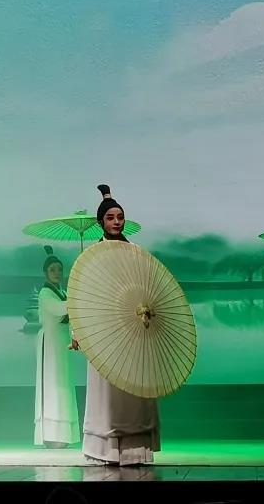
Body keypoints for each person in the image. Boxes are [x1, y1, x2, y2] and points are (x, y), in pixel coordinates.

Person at [71, 184, 160, 466]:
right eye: (110, 217)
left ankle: (136, 451)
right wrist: (78, 332)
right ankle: (105, 451)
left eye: (120, 217)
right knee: (107, 394)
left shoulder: (135, 252)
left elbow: (146, 286)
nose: (116, 222)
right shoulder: (93, 255)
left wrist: (146, 309)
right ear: (101, 222)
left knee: (134, 392)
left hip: (133, 331)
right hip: (103, 332)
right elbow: (83, 296)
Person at [35, 248, 80, 448]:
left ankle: (63, 435)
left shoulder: (63, 293)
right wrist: (76, 298)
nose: (57, 273)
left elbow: (73, 317)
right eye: (52, 269)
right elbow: (58, 309)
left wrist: (75, 337)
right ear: (46, 273)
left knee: (64, 385)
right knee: (52, 385)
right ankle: (51, 435)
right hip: (50, 344)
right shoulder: (45, 293)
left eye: (59, 269)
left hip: (62, 344)